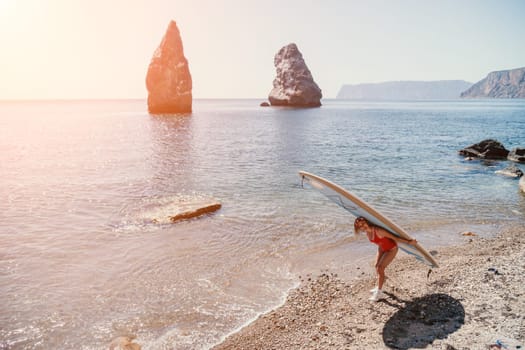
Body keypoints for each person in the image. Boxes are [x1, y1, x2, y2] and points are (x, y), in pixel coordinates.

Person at [354, 216, 418, 301]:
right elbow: (379, 242)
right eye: (359, 226)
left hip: (391, 249)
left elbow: (395, 238)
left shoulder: (378, 230)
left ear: (367, 221)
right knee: (376, 266)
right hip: (382, 249)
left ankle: (379, 293)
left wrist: (409, 242)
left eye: (363, 223)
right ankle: (379, 286)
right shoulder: (367, 232)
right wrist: (381, 250)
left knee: (380, 268)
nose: (362, 226)